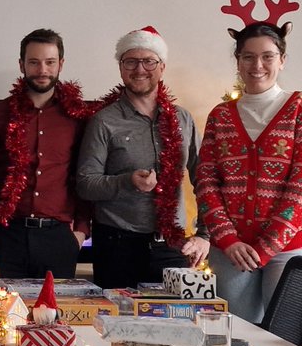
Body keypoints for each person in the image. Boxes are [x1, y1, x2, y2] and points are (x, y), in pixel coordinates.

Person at [195, 20, 302, 323]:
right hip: (232, 251)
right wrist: (228, 239)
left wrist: (266, 247)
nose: (258, 65)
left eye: (267, 56)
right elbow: (206, 183)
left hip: (290, 247)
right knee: (236, 337)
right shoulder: (221, 116)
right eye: (248, 57)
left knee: (290, 340)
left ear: (282, 60)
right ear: (238, 62)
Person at [76, 26, 209, 288]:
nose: (140, 69)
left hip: (172, 244)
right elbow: (85, 183)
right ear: (121, 68)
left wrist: (204, 234)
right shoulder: (104, 121)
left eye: (148, 61)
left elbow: (205, 179)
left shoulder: (182, 119)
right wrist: (126, 181)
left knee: (176, 324)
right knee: (114, 326)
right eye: (131, 61)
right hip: (117, 246)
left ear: (162, 67)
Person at [0, 28, 93, 279]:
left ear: (61, 64)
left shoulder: (78, 117)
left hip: (58, 239)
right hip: (5, 236)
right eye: (34, 62)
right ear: (22, 65)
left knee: (54, 317)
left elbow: (86, 177)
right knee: (0, 317)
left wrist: (79, 232)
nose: (42, 70)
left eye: (50, 62)